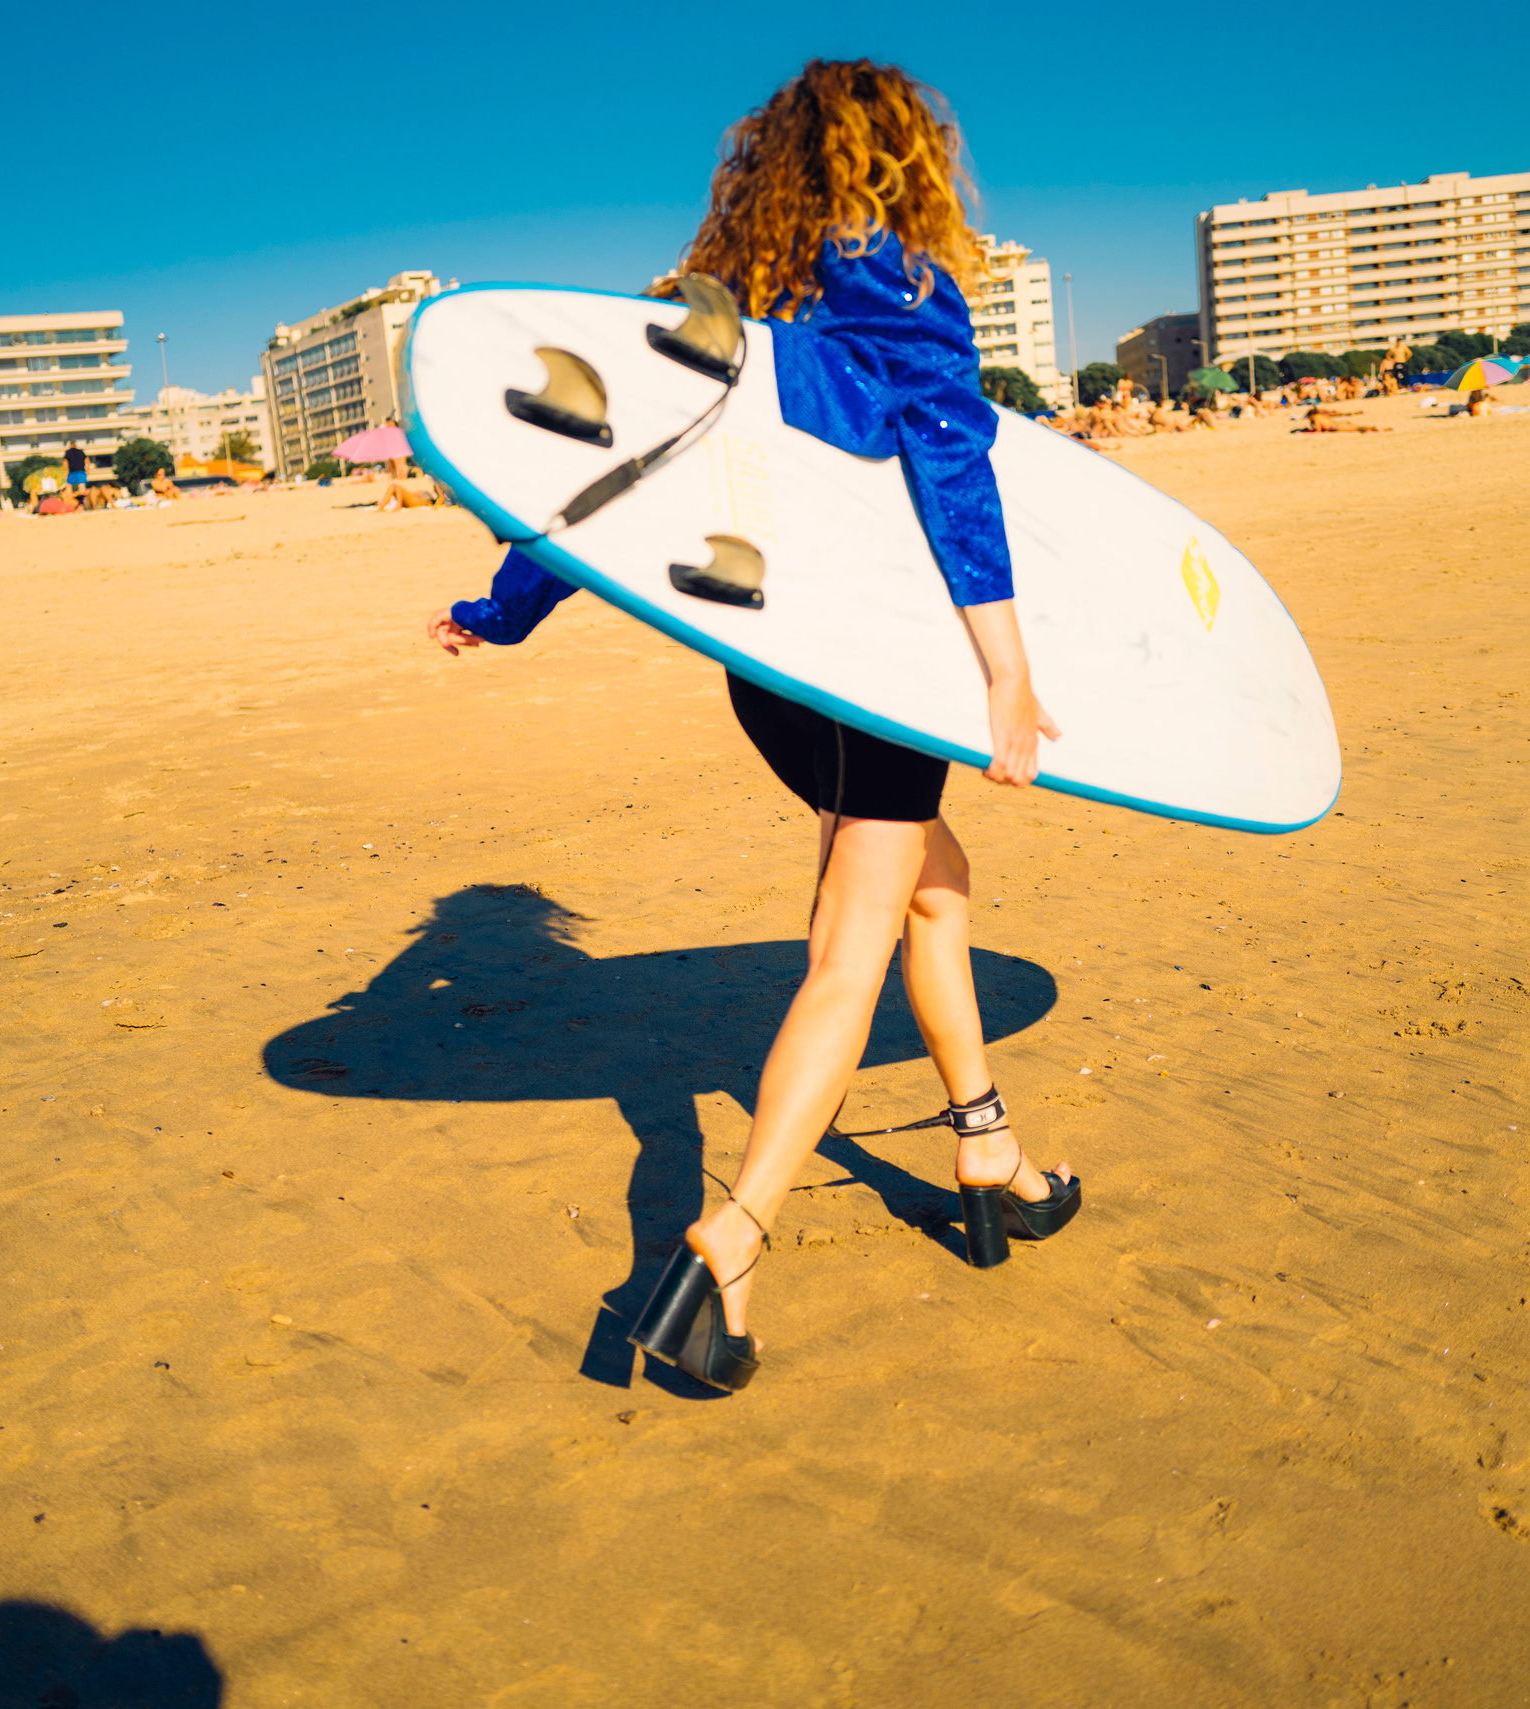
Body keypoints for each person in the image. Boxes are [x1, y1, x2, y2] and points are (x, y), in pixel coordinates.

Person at [425, 60, 1077, 1392]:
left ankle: (987, 1148)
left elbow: (624, 488)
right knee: (847, 951)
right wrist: (1006, 673)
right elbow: (954, 469)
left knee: (935, 885)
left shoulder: (721, 307)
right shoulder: (901, 283)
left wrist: (502, 610)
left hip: (767, 670)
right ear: (903, 156)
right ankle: (729, 1242)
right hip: (870, 673)